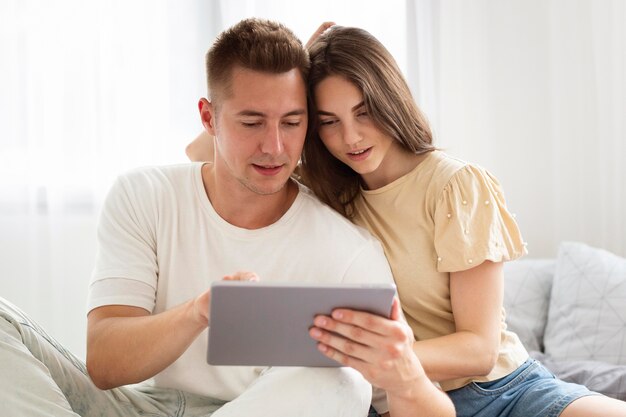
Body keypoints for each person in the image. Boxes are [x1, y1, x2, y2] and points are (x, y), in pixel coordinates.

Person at [0, 18, 454, 417]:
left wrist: (409, 378)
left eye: (292, 122)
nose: (274, 146)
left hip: (270, 407)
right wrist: (199, 312)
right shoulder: (145, 195)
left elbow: (411, 407)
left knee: (339, 379)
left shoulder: (348, 252)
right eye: (252, 122)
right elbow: (104, 365)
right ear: (209, 117)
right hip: (141, 406)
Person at [294, 25, 626, 417]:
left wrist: (376, 358)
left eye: (363, 112)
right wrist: (292, 71)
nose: (351, 137)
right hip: (399, 402)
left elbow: (479, 350)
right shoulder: (327, 195)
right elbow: (220, 158)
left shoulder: (454, 185)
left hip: (501, 391)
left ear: (390, 99)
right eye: (329, 121)